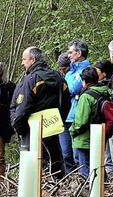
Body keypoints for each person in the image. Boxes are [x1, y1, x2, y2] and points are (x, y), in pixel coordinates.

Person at [11, 46, 70, 178]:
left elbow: (22, 108)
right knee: (55, 164)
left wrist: (18, 127)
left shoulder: (31, 79)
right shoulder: (58, 77)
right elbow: (67, 102)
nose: (22, 63)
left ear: (33, 59)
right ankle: (57, 190)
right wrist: (59, 120)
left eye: (24, 59)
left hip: (32, 131)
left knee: (34, 170)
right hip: (53, 128)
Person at [69, 67, 112, 179]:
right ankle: (105, 188)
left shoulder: (86, 96)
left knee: (85, 169)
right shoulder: (106, 92)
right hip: (100, 135)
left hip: (85, 138)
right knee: (99, 166)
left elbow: (81, 121)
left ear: (84, 81)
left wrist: (72, 130)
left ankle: (91, 193)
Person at [61, 39, 90, 173]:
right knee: (65, 154)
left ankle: (82, 182)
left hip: (77, 118)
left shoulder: (87, 70)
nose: (68, 55)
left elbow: (71, 89)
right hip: (64, 117)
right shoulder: (69, 72)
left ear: (78, 53)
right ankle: (71, 184)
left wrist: (66, 91)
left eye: (70, 52)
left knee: (78, 156)